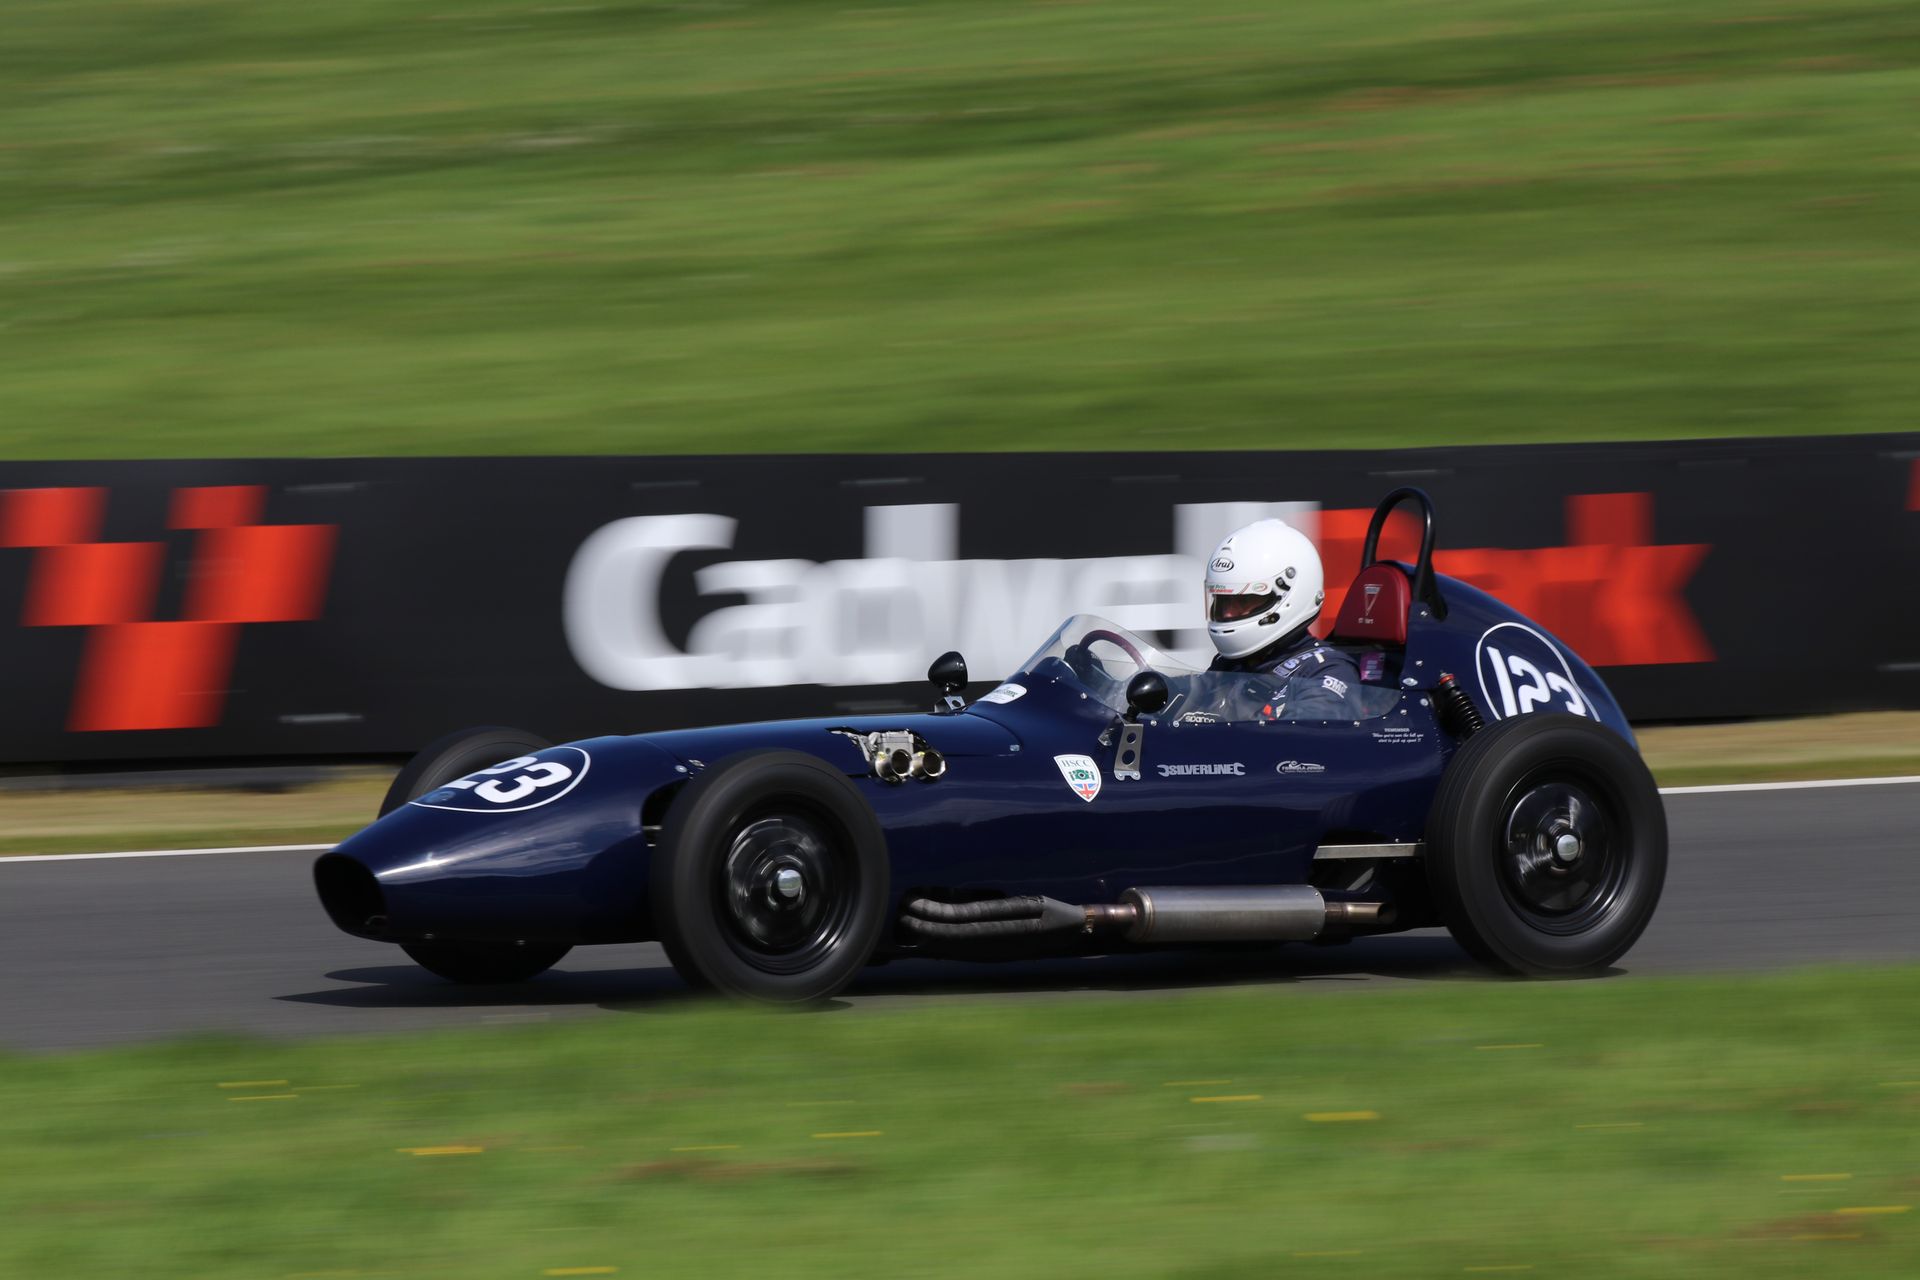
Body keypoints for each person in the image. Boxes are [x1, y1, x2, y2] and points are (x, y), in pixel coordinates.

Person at [1203, 517, 1359, 720]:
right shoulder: (1230, 664)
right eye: (1224, 602)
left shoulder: (1328, 670)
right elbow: (1184, 694)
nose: (1228, 614)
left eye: (1243, 601)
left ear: (1288, 597)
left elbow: (1303, 735)